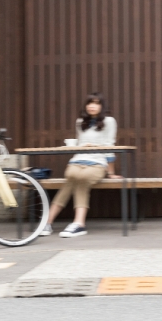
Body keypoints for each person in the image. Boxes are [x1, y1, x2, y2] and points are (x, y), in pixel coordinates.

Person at [41, 92, 121, 238]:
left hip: (97, 162)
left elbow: (110, 145)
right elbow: (78, 143)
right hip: (77, 160)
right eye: (89, 103)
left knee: (80, 179)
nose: (92, 106)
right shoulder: (80, 122)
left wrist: (110, 172)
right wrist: (84, 145)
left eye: (96, 103)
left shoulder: (109, 121)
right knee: (72, 176)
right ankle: (68, 224)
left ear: (102, 106)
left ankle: (67, 223)